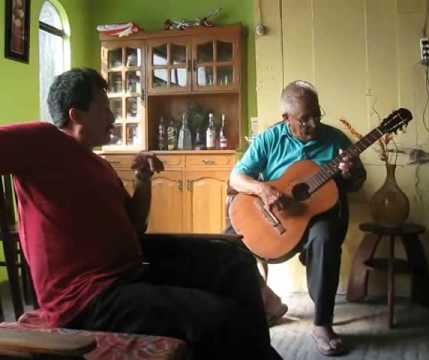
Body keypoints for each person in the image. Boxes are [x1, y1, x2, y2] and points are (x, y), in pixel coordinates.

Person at [0, 68, 282, 360]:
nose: (113, 118)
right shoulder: (43, 140)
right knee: (216, 317)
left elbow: (135, 224)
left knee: (235, 262)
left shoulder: (100, 165)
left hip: (131, 268)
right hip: (88, 298)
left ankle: (261, 355)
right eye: (105, 109)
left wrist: (142, 180)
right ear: (77, 115)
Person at [229, 80, 366, 356]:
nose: (314, 123)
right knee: (228, 242)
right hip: (278, 215)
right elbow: (236, 177)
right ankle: (266, 299)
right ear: (287, 119)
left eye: (317, 114)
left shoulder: (337, 139)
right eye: (305, 119)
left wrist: (350, 173)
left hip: (322, 215)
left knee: (325, 239)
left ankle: (322, 324)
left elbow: (357, 183)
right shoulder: (269, 139)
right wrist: (263, 189)